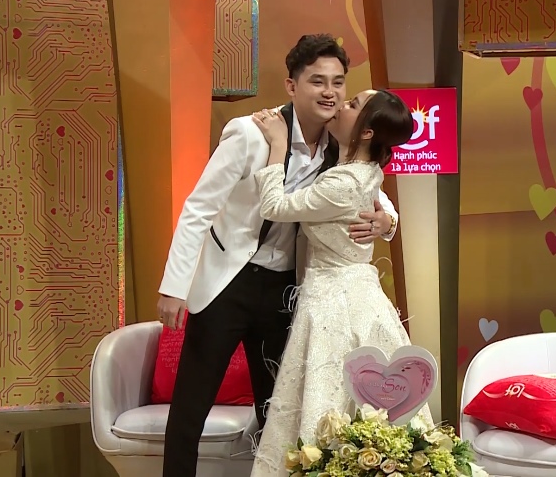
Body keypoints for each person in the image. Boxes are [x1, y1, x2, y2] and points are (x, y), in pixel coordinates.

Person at [157, 34, 400, 477]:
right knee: (191, 406)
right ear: (292, 86)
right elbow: (198, 208)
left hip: (287, 289)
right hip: (228, 281)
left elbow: (371, 189)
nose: (330, 92)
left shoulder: (338, 142)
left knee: (277, 411)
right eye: (317, 81)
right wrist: (174, 287)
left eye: (338, 82)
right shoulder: (252, 133)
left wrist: (388, 221)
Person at [247, 89, 435, 477]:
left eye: (352, 105)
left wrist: (278, 145)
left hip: (333, 300)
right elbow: (376, 197)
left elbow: (275, 207)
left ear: (367, 132)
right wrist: (387, 221)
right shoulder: (363, 167)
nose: (340, 103)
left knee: (329, 397)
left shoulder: (344, 180)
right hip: (358, 293)